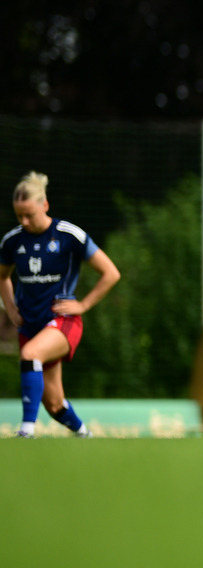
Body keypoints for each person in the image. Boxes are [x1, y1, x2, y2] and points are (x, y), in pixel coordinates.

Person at [0, 171, 121, 438]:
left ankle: (26, 431)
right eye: (19, 215)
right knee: (54, 404)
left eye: (29, 214)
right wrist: (9, 306)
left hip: (63, 322)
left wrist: (84, 305)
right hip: (30, 325)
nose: (24, 221)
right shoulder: (12, 241)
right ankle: (85, 435)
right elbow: (3, 278)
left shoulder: (68, 235)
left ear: (45, 205)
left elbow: (111, 273)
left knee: (30, 355)